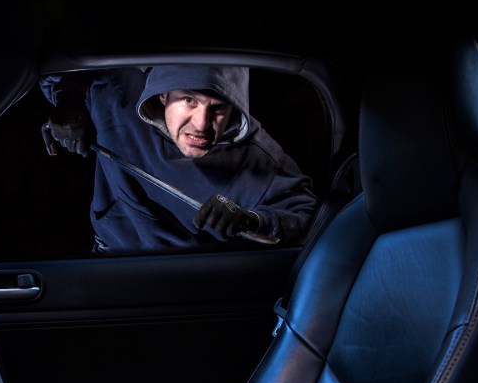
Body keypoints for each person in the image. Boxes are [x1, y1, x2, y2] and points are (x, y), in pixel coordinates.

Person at [40, 65, 319, 254]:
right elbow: (60, 66)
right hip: (111, 257)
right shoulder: (116, 94)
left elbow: (304, 215)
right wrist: (68, 105)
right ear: (163, 95)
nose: (202, 124)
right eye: (189, 100)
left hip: (183, 278)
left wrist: (251, 220)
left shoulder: (259, 158)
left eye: (219, 108)